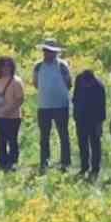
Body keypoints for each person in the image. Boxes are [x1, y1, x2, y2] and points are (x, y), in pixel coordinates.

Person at [32, 40, 72, 171]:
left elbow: (69, 83)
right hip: (44, 106)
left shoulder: (62, 65)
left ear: (56, 53)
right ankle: (44, 162)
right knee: (44, 136)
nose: (48, 53)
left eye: (51, 51)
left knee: (63, 135)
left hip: (61, 105)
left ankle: (65, 162)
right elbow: (36, 83)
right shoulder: (37, 66)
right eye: (46, 51)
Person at [0, 57, 25, 171]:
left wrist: (9, 110)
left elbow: (20, 99)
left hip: (13, 117)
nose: (6, 68)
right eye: (3, 65)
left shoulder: (16, 81)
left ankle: (13, 163)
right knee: (1, 140)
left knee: (12, 140)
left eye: (8, 65)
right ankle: (2, 163)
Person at [72, 70, 107, 180]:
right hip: (81, 119)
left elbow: (102, 107)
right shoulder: (79, 80)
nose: (85, 85)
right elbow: (75, 98)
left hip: (95, 120)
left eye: (87, 84)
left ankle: (95, 168)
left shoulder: (99, 87)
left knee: (95, 144)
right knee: (82, 144)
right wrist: (76, 114)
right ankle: (84, 167)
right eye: (84, 83)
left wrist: (100, 124)